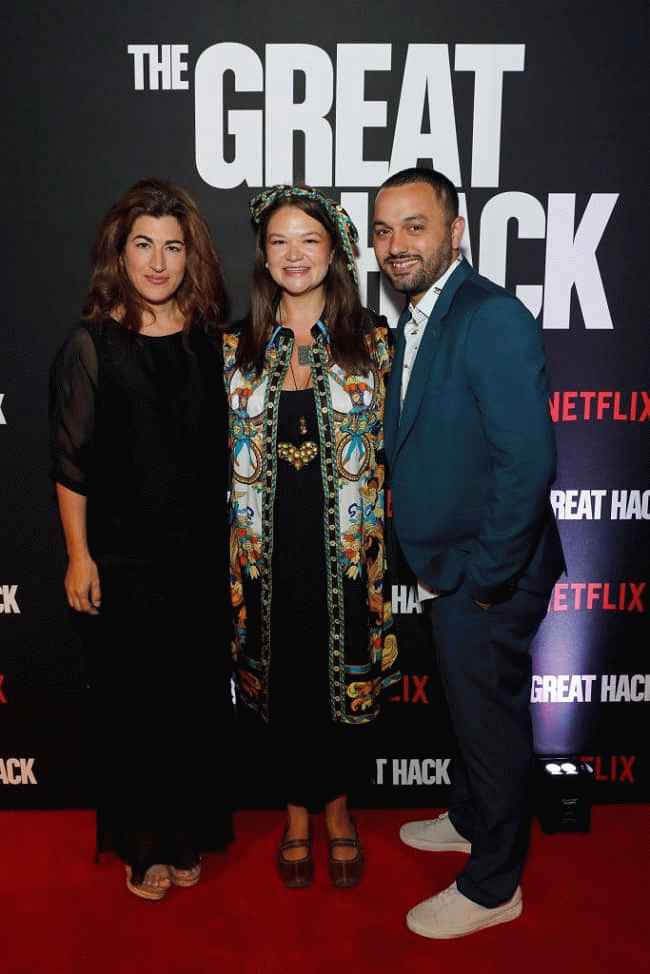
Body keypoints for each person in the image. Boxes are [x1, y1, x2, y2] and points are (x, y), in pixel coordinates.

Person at [373, 167, 565, 937]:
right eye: (384, 230)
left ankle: (493, 886)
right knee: (468, 709)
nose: (396, 244)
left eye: (415, 226)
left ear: (456, 232)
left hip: (489, 574)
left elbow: (530, 464)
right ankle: (469, 815)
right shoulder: (422, 316)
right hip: (452, 569)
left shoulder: (490, 317)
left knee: (489, 723)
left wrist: (486, 579)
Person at [49, 178, 233, 901]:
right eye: (144, 245)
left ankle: (186, 833)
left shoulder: (211, 342)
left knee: (191, 701)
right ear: (119, 253)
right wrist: (79, 556)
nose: (158, 263)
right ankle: (142, 844)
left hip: (199, 556)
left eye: (173, 247)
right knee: (135, 708)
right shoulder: (91, 345)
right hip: (122, 558)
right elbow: (70, 463)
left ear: (192, 256)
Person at [224, 185, 399, 889]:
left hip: (349, 556)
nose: (293, 255)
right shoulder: (234, 349)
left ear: (334, 252)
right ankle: (296, 816)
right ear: (263, 257)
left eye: (308, 240)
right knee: (287, 681)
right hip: (264, 555)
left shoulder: (375, 344)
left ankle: (338, 813)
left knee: (339, 682)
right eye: (279, 241)